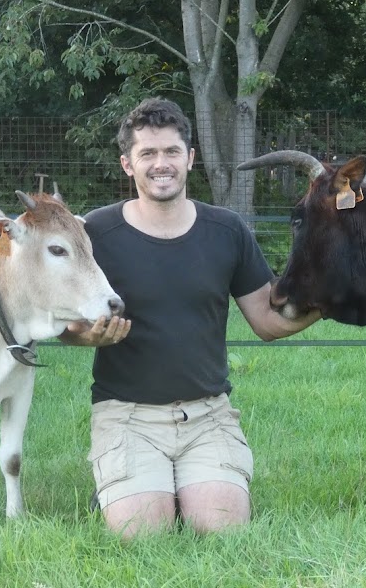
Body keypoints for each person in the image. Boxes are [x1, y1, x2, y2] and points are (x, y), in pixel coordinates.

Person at [60, 97, 319, 538]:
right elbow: (63, 325)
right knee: (142, 535)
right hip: (127, 416)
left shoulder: (227, 230)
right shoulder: (94, 233)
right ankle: (129, 488)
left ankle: (176, 487)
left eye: (171, 152)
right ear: (128, 164)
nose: (161, 164)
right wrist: (87, 337)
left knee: (221, 531)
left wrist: (331, 302)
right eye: (148, 154)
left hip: (207, 417)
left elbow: (268, 321)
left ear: (190, 158)